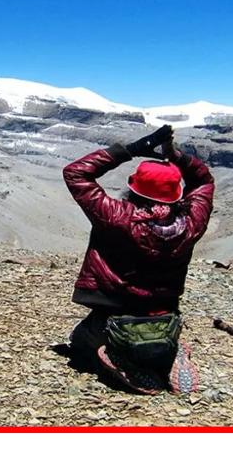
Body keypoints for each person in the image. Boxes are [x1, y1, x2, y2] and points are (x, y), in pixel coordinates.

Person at [62, 125, 214, 394]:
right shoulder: (191, 224)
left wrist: (132, 149)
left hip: (115, 307)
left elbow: (76, 173)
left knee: (82, 340)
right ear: (177, 194)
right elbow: (203, 182)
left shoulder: (116, 216)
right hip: (164, 310)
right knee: (155, 327)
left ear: (134, 189)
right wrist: (176, 156)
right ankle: (168, 351)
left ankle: (116, 351)